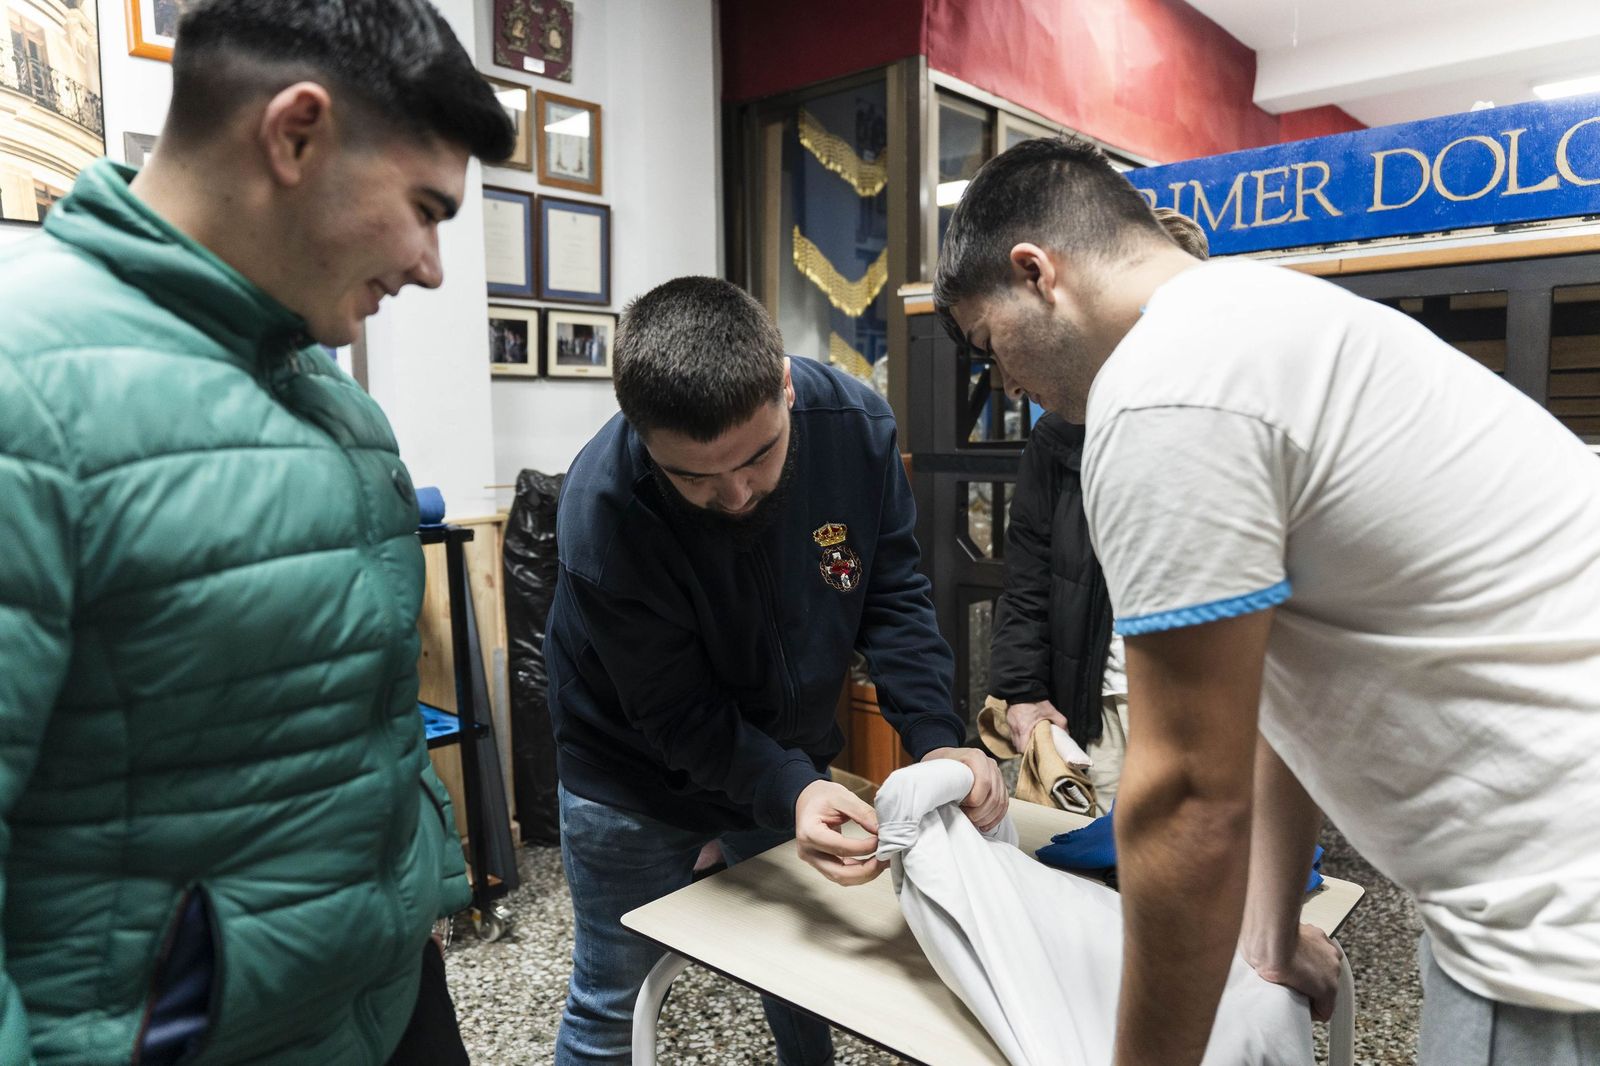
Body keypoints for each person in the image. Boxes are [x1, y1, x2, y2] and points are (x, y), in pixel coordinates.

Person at [935, 135, 1600, 1066]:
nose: (1004, 380)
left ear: (1036, 272)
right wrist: (1274, 927)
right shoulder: (1259, 316)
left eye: (987, 343)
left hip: (1559, 926)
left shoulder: (1164, 392)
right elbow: (1276, 698)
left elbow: (1189, 803)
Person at [0, 1, 513, 1062]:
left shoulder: (333, 400)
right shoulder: (28, 390)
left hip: (386, 1001)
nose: (430, 266)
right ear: (294, 133)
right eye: (425, 208)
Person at [545, 276, 1006, 1065]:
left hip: (784, 745)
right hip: (627, 772)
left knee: (802, 969)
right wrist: (792, 788)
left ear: (786, 386)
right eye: (694, 477)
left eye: (757, 455)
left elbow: (891, 595)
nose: (735, 493)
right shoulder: (602, 513)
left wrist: (936, 741)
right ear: (641, 433)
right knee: (611, 1002)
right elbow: (678, 715)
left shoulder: (855, 428)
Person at [984, 208, 1208, 815]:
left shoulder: (1223, 418)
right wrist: (1022, 693)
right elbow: (1028, 578)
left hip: (1206, 709)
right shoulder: (1059, 437)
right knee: (1099, 878)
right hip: (1101, 709)